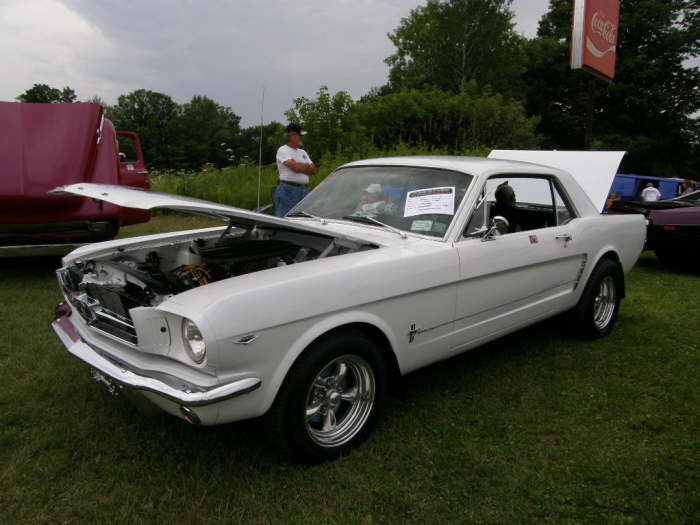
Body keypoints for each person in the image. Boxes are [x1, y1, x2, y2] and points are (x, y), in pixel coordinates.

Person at [273, 123, 317, 217]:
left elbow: (313, 170)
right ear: (292, 136)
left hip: (304, 191)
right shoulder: (283, 150)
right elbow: (295, 167)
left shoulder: (302, 152)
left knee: (302, 220)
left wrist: (299, 165)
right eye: (300, 135)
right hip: (288, 190)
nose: (302, 138)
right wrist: (305, 166)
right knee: (285, 218)